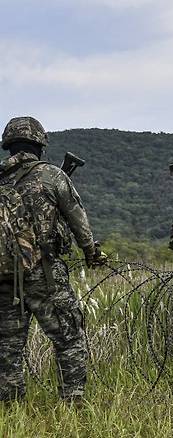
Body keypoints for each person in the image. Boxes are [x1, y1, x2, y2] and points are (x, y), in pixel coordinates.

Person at [0, 116, 104, 403]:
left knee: (8, 347)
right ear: (40, 144)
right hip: (44, 274)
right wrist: (91, 254)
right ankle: (73, 402)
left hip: (5, 275)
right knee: (69, 338)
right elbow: (79, 221)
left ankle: (10, 407)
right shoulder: (52, 175)